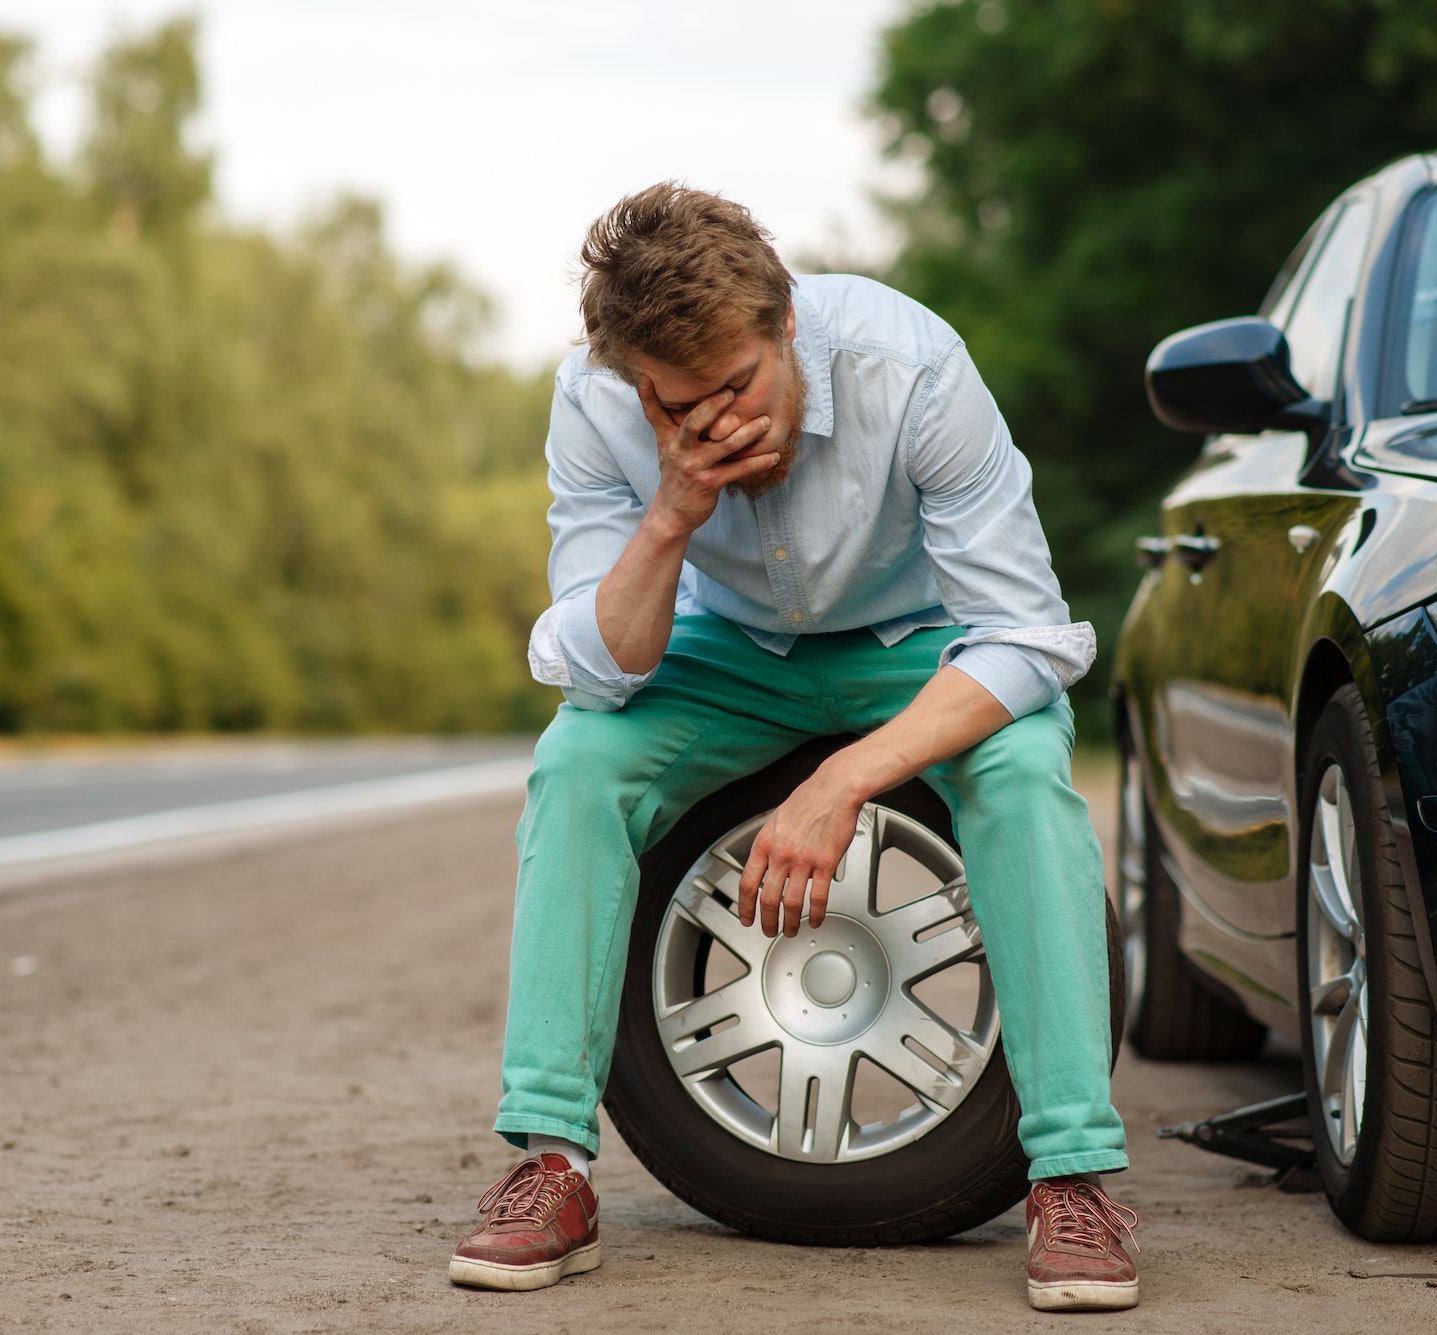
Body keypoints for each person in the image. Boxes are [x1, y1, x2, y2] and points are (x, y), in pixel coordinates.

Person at [446, 184, 1139, 1312]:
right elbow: (599, 662)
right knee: (576, 765)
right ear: (632, 383)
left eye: (736, 387)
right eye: (676, 406)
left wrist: (846, 776)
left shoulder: (907, 365)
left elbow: (1024, 636)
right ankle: (548, 1164)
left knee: (1019, 773)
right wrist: (669, 511)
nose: (716, 423)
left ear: (784, 328)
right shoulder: (592, 404)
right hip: (724, 657)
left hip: (918, 648)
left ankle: (1071, 1176)